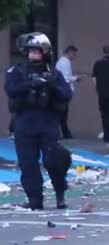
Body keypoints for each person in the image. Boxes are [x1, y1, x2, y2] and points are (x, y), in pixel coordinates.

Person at [4, 32, 73, 210]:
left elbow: (67, 94)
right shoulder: (17, 71)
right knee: (28, 164)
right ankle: (35, 199)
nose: (33, 55)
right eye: (31, 51)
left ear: (45, 53)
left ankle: (60, 193)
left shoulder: (54, 74)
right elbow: (10, 90)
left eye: (37, 52)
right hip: (24, 122)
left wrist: (50, 85)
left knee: (54, 160)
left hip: (47, 122)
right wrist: (30, 84)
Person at [55, 45, 79, 139]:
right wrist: (76, 78)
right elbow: (66, 78)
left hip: (61, 91)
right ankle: (65, 132)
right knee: (63, 113)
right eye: (74, 54)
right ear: (70, 52)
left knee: (62, 112)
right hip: (64, 91)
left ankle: (64, 132)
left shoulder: (61, 62)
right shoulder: (65, 63)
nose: (75, 56)